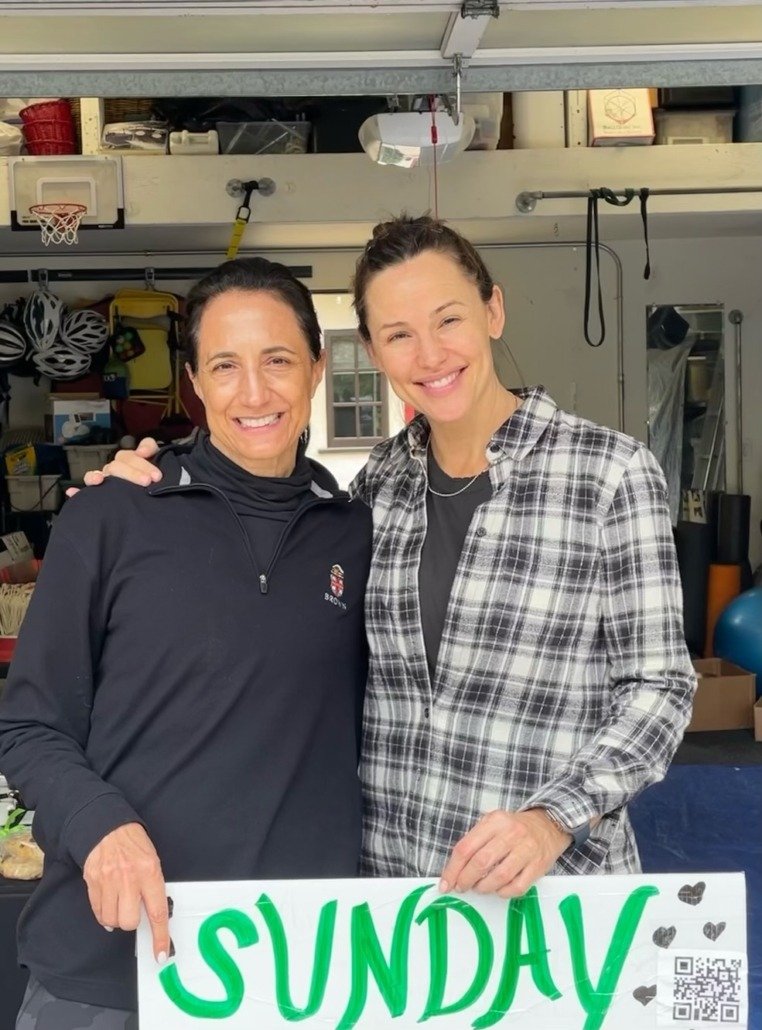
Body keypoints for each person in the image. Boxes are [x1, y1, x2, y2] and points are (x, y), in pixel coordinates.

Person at [84, 214, 696, 900]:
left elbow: (660, 688)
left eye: (448, 320)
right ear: (372, 352)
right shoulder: (378, 487)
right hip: (396, 905)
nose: (429, 355)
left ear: (492, 311)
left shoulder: (609, 473)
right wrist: (147, 472)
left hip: (549, 896)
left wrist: (552, 819)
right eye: (398, 335)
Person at [0, 257, 372, 1028]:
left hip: (290, 971)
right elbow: (29, 724)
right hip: (110, 965)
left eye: (277, 360)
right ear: (196, 383)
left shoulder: (359, 534)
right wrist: (101, 825)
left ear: (317, 364)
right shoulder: (111, 517)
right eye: (225, 366)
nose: (255, 392)